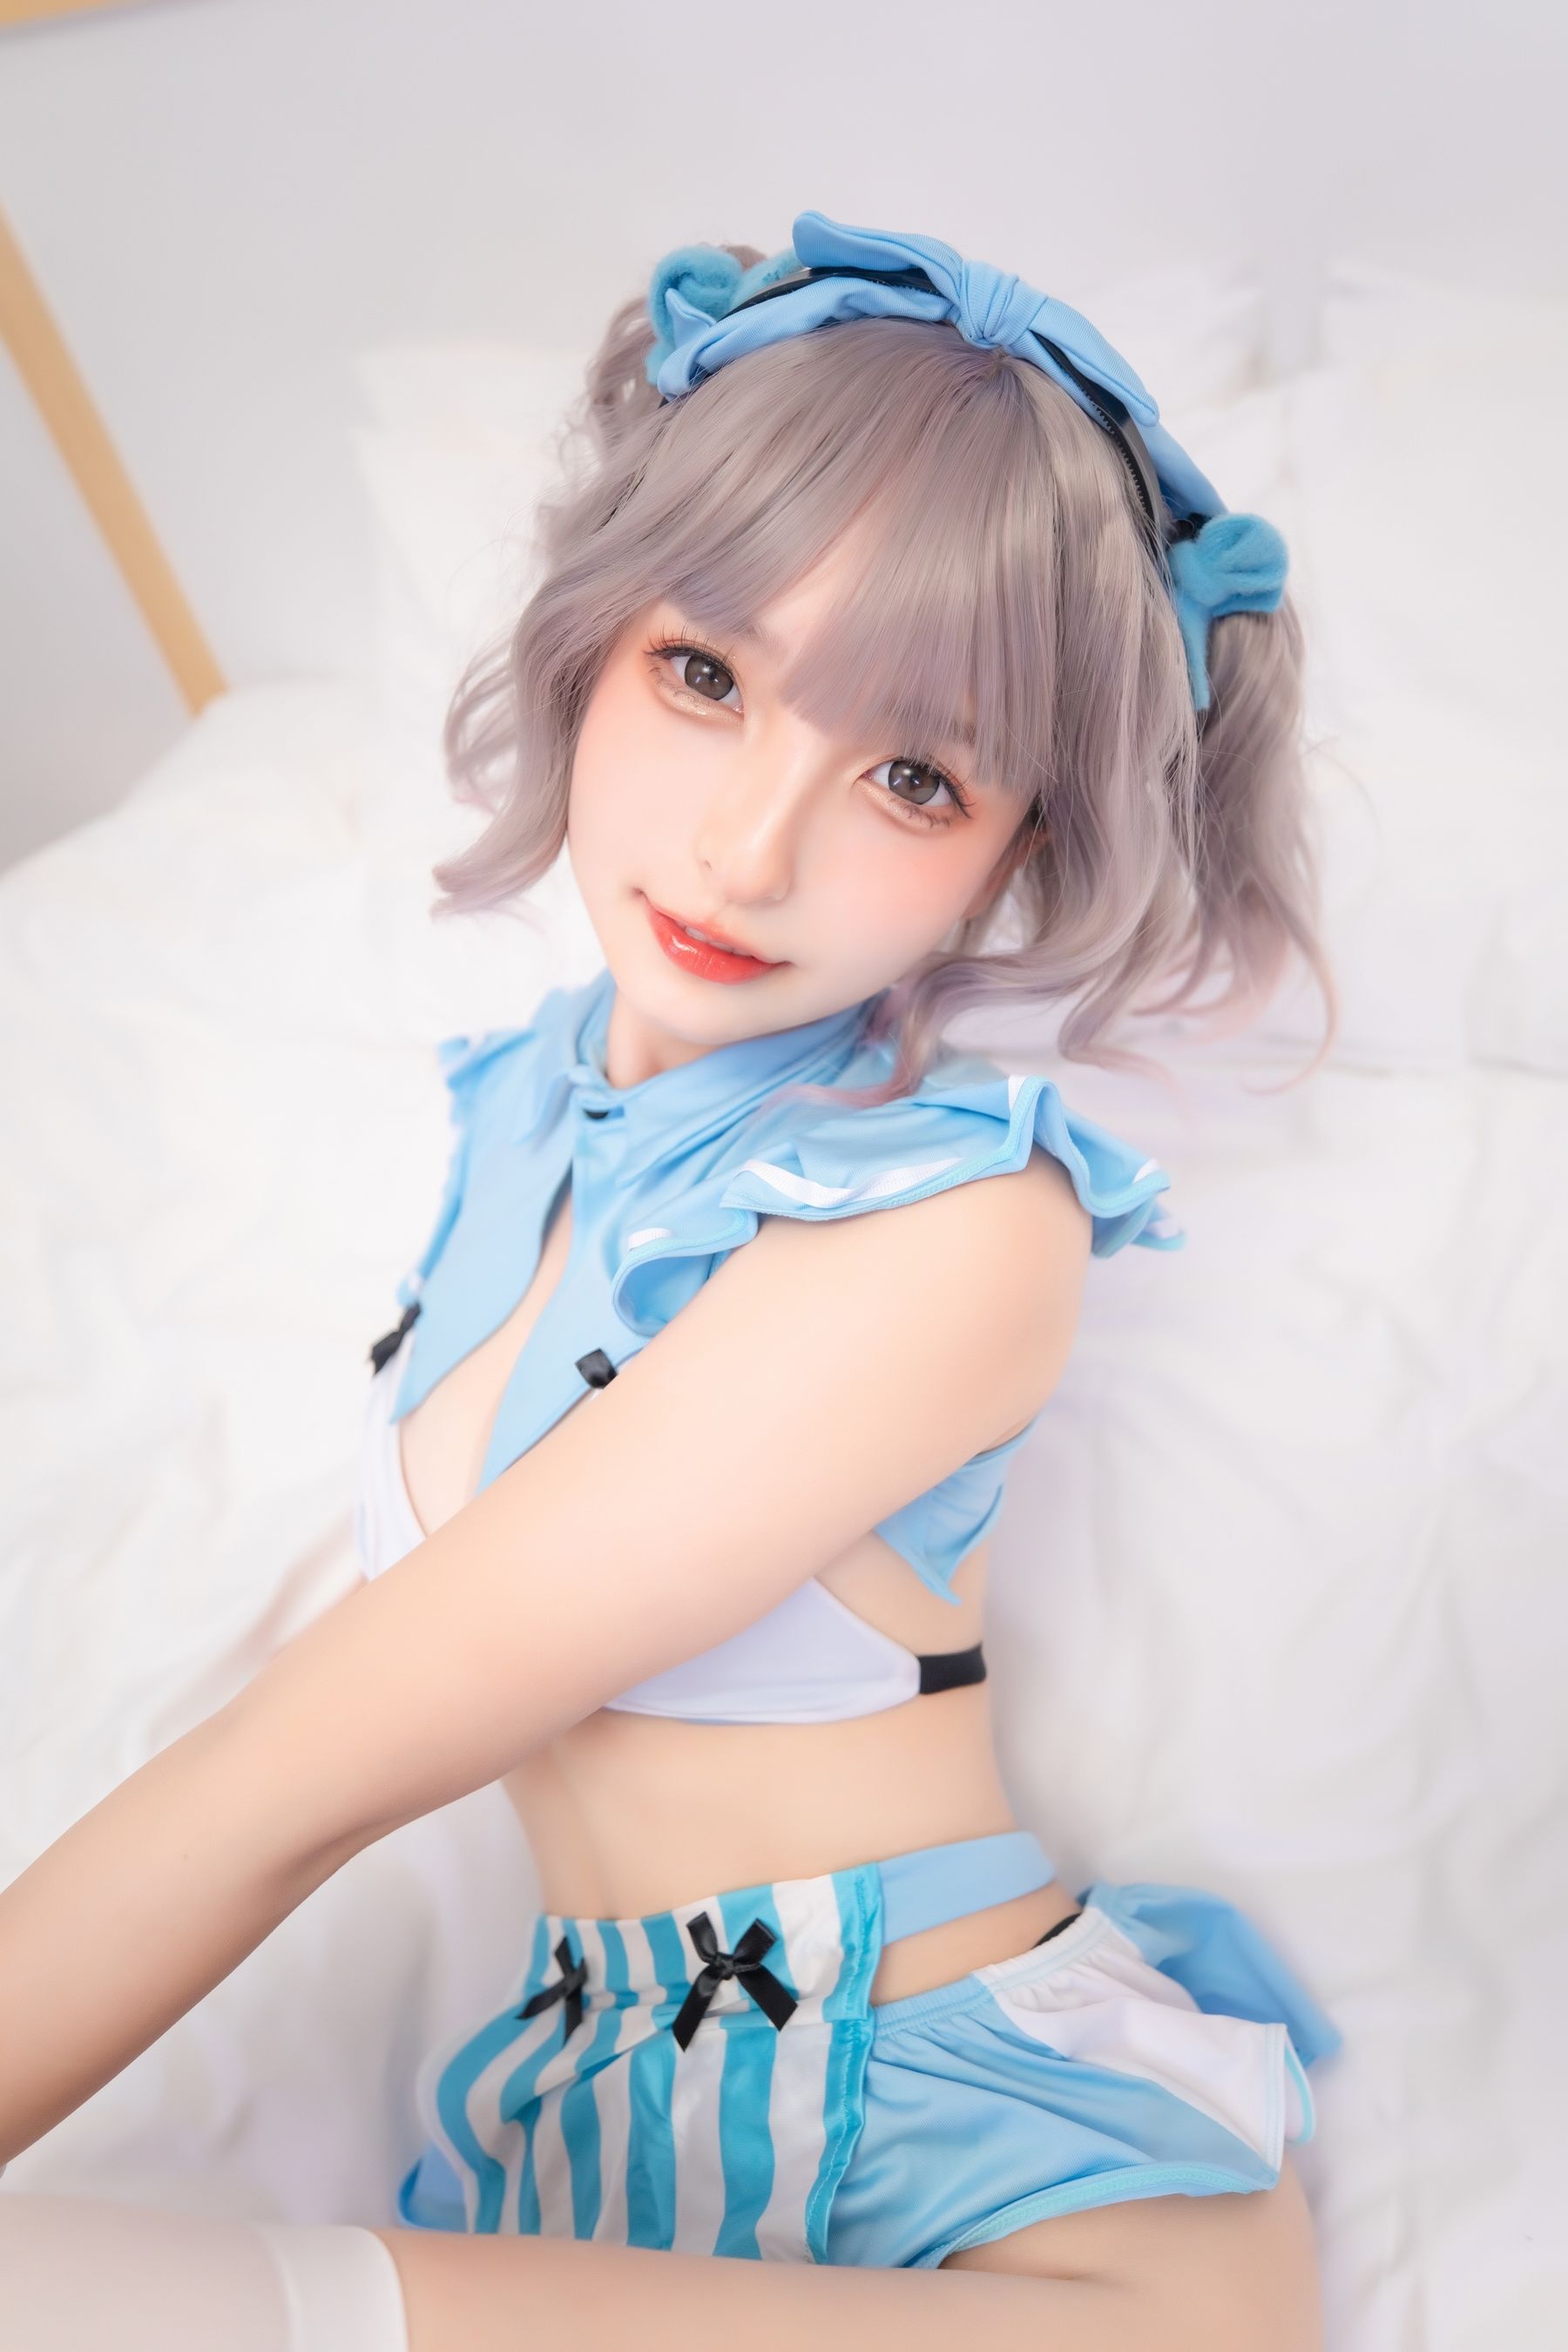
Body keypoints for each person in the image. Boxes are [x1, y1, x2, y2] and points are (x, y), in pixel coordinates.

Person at [0, 210, 1342, 2352]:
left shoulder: (959, 1229)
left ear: (1021, 850)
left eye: (913, 775)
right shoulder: (516, 1116)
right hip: (593, 2158)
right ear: (594, 638)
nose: (747, 850)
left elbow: (292, 1780)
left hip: (1025, 2235)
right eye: (706, 677)